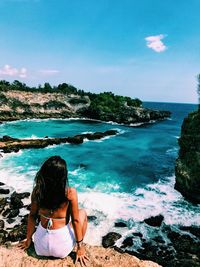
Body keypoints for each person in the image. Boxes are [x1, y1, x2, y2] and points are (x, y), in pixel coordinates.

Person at [19, 155, 89, 266]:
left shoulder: (37, 192)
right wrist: (80, 247)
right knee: (82, 213)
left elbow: (32, 216)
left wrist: (28, 240)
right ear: (63, 176)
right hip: (62, 249)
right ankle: (79, 246)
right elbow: (75, 221)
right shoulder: (70, 193)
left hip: (40, 247)